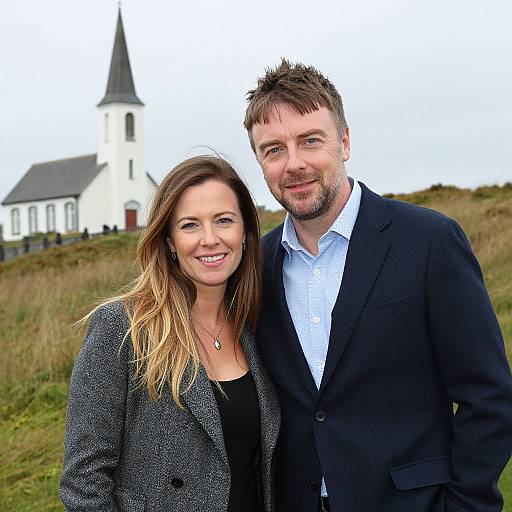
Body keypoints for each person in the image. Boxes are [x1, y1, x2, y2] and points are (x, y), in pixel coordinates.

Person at [244, 59, 512, 511]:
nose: (294, 164)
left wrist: (465, 505)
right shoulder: (255, 266)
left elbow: (488, 398)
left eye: (311, 140)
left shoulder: (429, 242)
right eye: (273, 150)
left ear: (344, 142)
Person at [60, 156, 280, 512]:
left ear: (245, 233)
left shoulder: (254, 325)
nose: (210, 239)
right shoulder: (123, 328)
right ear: (169, 241)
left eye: (223, 221)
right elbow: (84, 482)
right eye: (190, 225)